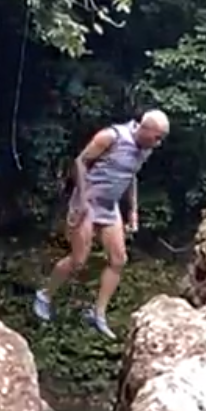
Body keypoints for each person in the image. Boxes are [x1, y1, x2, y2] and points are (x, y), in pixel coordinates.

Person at [34, 110, 170, 341]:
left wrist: (133, 211)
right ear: (144, 128)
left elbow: (131, 176)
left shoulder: (144, 150)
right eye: (156, 137)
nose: (157, 144)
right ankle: (44, 295)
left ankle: (98, 314)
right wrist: (83, 200)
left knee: (118, 260)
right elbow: (80, 161)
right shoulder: (112, 137)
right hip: (88, 202)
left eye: (161, 139)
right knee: (79, 259)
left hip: (110, 206)